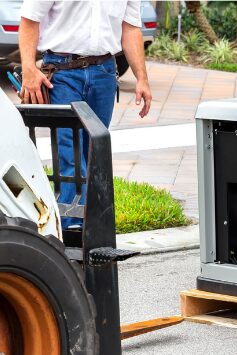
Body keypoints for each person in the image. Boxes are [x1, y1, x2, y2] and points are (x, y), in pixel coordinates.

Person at [19, 1, 152, 228]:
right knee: (70, 153)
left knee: (95, 152)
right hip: (61, 73)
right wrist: (29, 70)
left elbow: (130, 29)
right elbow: (30, 20)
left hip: (104, 72)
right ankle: (73, 227)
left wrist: (142, 78)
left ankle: (93, 227)